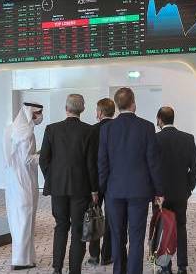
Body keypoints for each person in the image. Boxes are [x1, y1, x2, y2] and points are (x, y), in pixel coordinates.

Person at [98, 88, 163, 274]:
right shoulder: (147, 127)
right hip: (139, 191)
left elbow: (102, 163)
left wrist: (101, 189)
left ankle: (119, 270)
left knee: (117, 237)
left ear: (117, 105)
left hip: (114, 191)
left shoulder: (107, 129)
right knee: (136, 238)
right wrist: (159, 191)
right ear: (133, 104)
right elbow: (153, 162)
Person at [40, 94, 98, 274]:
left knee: (60, 226)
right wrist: (94, 189)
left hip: (58, 187)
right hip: (81, 188)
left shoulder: (51, 129)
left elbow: (43, 159)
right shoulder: (89, 131)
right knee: (77, 229)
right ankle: (74, 270)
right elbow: (91, 164)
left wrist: (52, 177)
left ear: (66, 108)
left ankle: (57, 268)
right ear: (83, 109)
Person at [156, 107, 196, 274]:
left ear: (160, 119)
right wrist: (188, 188)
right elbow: (194, 167)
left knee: (163, 229)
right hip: (181, 193)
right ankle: (182, 267)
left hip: (161, 194)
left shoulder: (155, 139)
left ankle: (165, 267)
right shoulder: (188, 138)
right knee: (181, 228)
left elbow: (151, 168)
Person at [4, 102, 44, 270]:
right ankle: (21, 260)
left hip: (13, 180)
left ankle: (25, 258)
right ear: (32, 113)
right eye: (39, 113)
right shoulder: (27, 132)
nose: (40, 117)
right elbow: (28, 159)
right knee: (25, 220)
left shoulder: (10, 129)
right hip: (25, 181)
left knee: (18, 220)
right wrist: (44, 155)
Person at [88, 97, 116, 267]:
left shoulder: (91, 130)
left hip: (95, 182)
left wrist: (93, 187)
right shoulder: (117, 129)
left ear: (99, 112)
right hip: (114, 182)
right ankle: (107, 255)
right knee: (112, 218)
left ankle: (94, 255)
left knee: (94, 217)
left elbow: (90, 161)